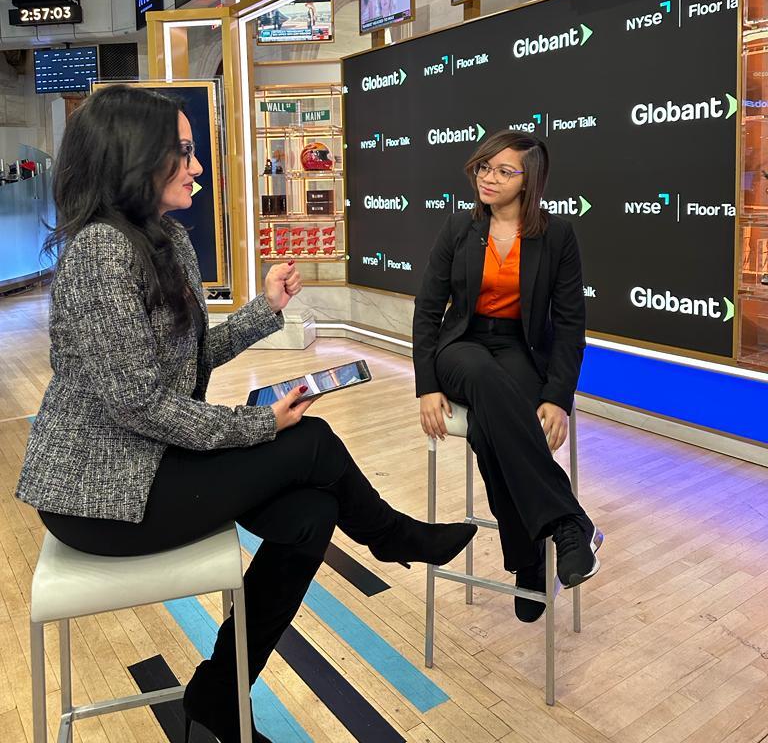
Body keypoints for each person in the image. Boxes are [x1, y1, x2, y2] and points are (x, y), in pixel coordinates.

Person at [15, 85, 475, 743]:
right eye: (183, 152)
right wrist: (262, 425)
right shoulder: (99, 254)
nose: (197, 166)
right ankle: (391, 536)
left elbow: (191, 357)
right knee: (309, 442)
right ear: (133, 157)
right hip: (101, 495)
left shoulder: (167, 239)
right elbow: (140, 403)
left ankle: (217, 696)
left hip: (156, 465)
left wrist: (265, 310)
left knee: (312, 515)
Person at [413, 129, 603, 623]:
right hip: (463, 346)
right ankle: (568, 522)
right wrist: (427, 385)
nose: (489, 178)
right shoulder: (459, 228)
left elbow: (569, 325)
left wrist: (558, 396)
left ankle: (528, 561)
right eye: (483, 168)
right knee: (479, 374)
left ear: (529, 179)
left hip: (519, 347)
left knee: (489, 428)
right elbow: (429, 310)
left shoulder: (556, 236)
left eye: (503, 171)